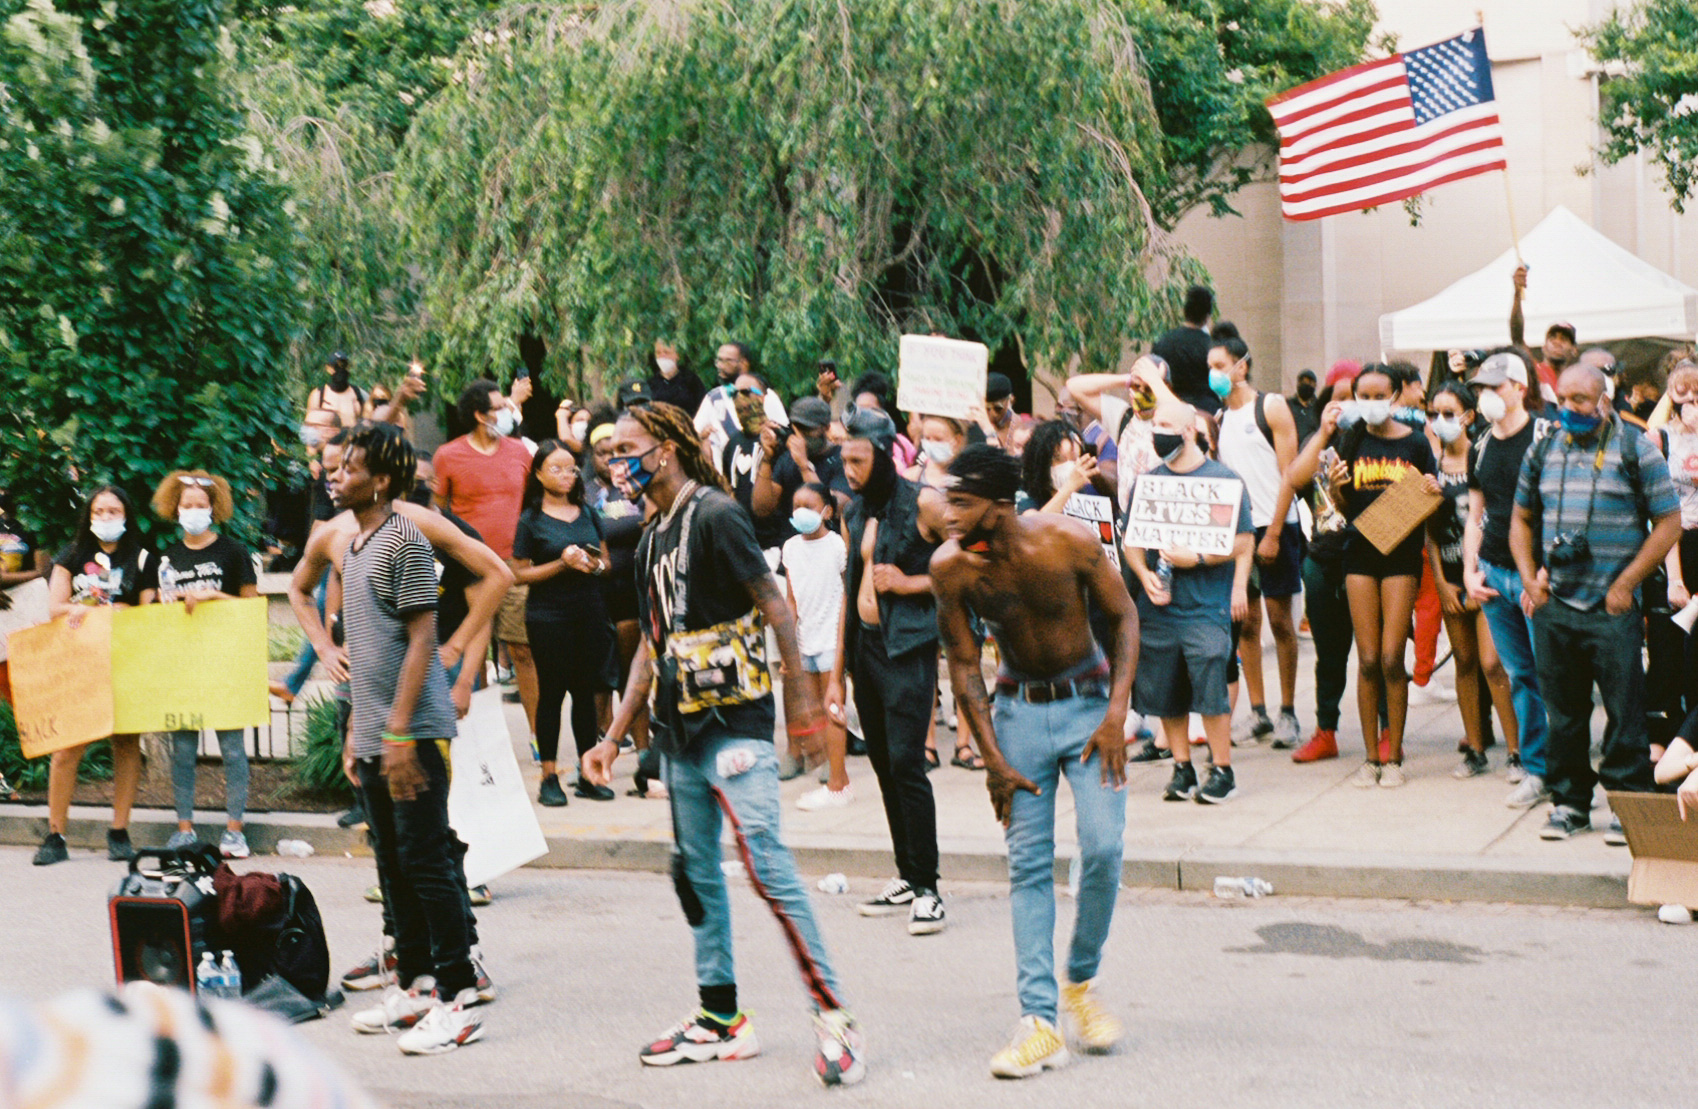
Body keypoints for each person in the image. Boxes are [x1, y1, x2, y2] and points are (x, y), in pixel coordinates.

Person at [581, 402, 865, 1087]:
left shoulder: (715, 515)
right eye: (610, 452)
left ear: (668, 447)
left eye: (627, 448)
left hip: (735, 723)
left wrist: (801, 696)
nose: (615, 461)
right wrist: (613, 737)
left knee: (766, 867)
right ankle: (720, 1016)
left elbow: (773, 602)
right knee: (695, 873)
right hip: (679, 733)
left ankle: (834, 1017)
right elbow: (652, 645)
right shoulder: (653, 533)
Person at [931, 443, 1136, 1078]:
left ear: (998, 504)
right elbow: (964, 665)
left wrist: (1116, 716)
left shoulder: (1066, 541)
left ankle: (1081, 980)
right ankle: (1039, 1022)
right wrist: (991, 757)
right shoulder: (950, 568)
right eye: (946, 501)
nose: (947, 515)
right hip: (1017, 715)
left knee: (1103, 848)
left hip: (1088, 706)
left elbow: (1125, 618)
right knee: (1027, 868)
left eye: (961, 503)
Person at [290, 422, 487, 1055]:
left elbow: (422, 639)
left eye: (349, 468)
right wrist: (357, 728)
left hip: (413, 731)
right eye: (336, 466)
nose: (335, 476)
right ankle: (416, 984)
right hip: (375, 730)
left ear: (380, 480)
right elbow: (367, 651)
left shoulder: (403, 540)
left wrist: (399, 733)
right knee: (394, 863)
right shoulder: (352, 543)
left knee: (427, 862)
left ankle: (457, 997)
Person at [1511, 364, 1679, 842]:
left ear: (1604, 402)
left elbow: (1668, 522)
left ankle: (1627, 805)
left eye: (1580, 400)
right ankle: (1569, 804)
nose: (1568, 409)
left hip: (1612, 608)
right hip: (1556, 605)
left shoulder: (1635, 448)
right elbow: (1520, 518)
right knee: (1563, 714)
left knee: (1625, 714)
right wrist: (1530, 579)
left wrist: (1626, 584)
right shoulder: (1543, 448)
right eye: (1563, 399)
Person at [1288, 365, 1439, 787]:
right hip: (1358, 554)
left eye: (1379, 395)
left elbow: (1431, 496)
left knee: (1392, 657)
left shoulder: (1415, 443)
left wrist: (1433, 491)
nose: (1372, 403)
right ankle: (1371, 758)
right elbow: (1337, 509)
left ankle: (1394, 757)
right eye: (1364, 396)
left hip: (1401, 556)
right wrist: (1336, 488)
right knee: (1368, 659)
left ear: (1395, 396)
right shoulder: (1351, 440)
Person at [833, 406, 948, 934]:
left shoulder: (924, 502)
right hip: (866, 652)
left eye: (858, 460)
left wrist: (910, 583)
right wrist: (837, 673)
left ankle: (928, 887)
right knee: (882, 764)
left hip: (908, 649)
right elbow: (847, 591)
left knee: (906, 763)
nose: (848, 470)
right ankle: (906, 874)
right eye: (844, 460)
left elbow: (971, 563)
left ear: (883, 455)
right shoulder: (855, 510)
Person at [1125, 401, 1252, 803]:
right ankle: (1182, 768)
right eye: (1154, 425)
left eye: (1165, 424)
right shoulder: (1148, 483)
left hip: (1206, 604)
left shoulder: (1224, 481)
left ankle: (1222, 769)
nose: (1157, 432)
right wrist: (1143, 574)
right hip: (1159, 605)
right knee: (1166, 687)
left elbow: (1242, 542)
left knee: (1211, 681)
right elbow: (1132, 540)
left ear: (1188, 430)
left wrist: (1196, 558)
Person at [33, 487, 151, 866]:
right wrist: (88, 611)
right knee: (68, 748)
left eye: (113, 510)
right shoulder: (71, 555)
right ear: (89, 515)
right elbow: (55, 607)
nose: (105, 517)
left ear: (126, 515)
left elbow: (149, 613)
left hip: (125, 660)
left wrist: (125, 613)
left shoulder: (142, 557)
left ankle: (119, 831)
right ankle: (55, 835)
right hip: (79, 661)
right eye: (99, 511)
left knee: (126, 744)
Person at [146, 470, 259, 858]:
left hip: (226, 663)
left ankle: (235, 832)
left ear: (214, 508)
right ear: (175, 508)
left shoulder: (233, 551)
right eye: (187, 504)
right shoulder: (166, 557)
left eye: (201, 504)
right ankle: (184, 830)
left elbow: (252, 607)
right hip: (182, 665)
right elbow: (154, 610)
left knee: (233, 750)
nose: (193, 510)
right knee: (182, 751)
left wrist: (214, 597)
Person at [1462, 352, 1554, 807]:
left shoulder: (1545, 437)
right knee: (1520, 674)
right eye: (1481, 388)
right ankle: (1537, 769)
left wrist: (1542, 575)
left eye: (1495, 387)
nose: (1487, 396)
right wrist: (1469, 570)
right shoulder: (1480, 444)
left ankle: (1565, 769)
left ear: (1520, 387)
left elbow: (1558, 509)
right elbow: (1475, 515)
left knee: (1552, 675)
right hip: (1495, 574)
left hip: (1536, 575)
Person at [511, 439, 618, 805]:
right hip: (548, 616)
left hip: (588, 611)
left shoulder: (587, 513)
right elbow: (519, 574)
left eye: (570, 468)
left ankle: (588, 772)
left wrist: (593, 565)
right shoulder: (531, 519)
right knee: (552, 694)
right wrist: (561, 564)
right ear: (539, 475)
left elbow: (607, 564)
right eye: (555, 469)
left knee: (585, 693)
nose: (565, 475)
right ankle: (549, 776)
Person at [1213, 336, 1304, 748]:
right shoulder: (1221, 418)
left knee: (1281, 621)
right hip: (1240, 532)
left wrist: (1274, 532)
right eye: (1211, 367)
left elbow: (1290, 474)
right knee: (1246, 622)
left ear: (1241, 366)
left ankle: (1288, 711)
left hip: (1275, 525)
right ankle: (1258, 711)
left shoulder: (1270, 407)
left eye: (1220, 365)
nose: (1214, 374)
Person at [1424, 385, 1518, 778]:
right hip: (1450, 576)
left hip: (1484, 574)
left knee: (1493, 664)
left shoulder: (1482, 455)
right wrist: (1442, 584)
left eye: (1449, 413)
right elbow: (1429, 535)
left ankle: (1516, 751)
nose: (1440, 421)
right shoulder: (1432, 465)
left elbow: (1492, 516)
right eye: (1434, 413)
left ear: (1468, 416)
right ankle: (1475, 748)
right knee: (1464, 663)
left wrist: (1481, 571)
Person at [434, 379, 534, 735]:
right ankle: (474, 738)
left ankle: (539, 740)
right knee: (471, 657)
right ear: (479, 415)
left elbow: (531, 506)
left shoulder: (520, 452)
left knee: (522, 652)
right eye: (500, 407)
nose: (508, 412)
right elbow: (438, 513)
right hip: (469, 568)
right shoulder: (447, 456)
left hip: (513, 566)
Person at [1286, 361, 1361, 763]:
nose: (1345, 405)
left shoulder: (1373, 441)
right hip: (1323, 556)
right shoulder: (1318, 443)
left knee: (1375, 655)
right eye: (1338, 397)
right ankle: (1325, 730)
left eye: (1354, 397)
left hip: (1364, 559)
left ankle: (1387, 729)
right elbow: (1295, 479)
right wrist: (1324, 433)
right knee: (1328, 655)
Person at [585, 414, 658, 795]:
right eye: (601, 453)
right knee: (600, 675)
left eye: (614, 452)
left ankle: (645, 751)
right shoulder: (584, 493)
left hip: (634, 591)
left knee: (634, 671)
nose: (608, 459)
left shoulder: (636, 489)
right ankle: (600, 742)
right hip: (598, 595)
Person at [784, 483, 852, 810]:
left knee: (833, 708)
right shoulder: (790, 548)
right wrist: (788, 644)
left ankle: (838, 780)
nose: (801, 512)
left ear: (827, 511)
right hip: (805, 639)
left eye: (809, 506)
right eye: (796, 505)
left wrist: (842, 644)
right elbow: (791, 600)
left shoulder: (836, 546)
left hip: (830, 640)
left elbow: (846, 594)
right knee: (814, 709)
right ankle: (829, 767)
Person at [695, 342, 785, 461]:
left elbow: (781, 432)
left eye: (727, 361)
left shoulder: (766, 395)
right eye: (719, 360)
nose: (721, 366)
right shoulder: (714, 398)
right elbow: (694, 433)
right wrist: (703, 437)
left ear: (743, 363)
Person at [1508, 265, 1572, 404]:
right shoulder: (1536, 371)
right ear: (1544, 347)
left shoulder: (1578, 379)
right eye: (1552, 337)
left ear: (1574, 349)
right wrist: (1517, 293)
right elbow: (1517, 338)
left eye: (1564, 339)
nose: (1557, 342)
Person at [1153, 285, 1218, 414]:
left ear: (1185, 311)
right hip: (1207, 412)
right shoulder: (1213, 346)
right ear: (1207, 316)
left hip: (1170, 409)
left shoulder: (1162, 341)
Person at [306, 351, 366, 430]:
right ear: (328, 368)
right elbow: (309, 428)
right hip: (326, 437)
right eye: (336, 366)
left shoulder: (359, 393)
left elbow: (369, 424)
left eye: (343, 365)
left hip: (351, 437)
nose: (340, 369)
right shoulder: (318, 395)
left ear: (348, 367)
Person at [647, 339, 708, 415]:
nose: (662, 356)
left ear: (677, 355)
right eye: (658, 353)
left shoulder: (691, 380)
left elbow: (704, 408)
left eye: (666, 352)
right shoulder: (650, 384)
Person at [1288, 369, 1322, 445]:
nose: (1306, 385)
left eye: (1310, 382)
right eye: (1303, 382)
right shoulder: (1288, 405)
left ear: (1315, 385)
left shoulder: (1319, 408)